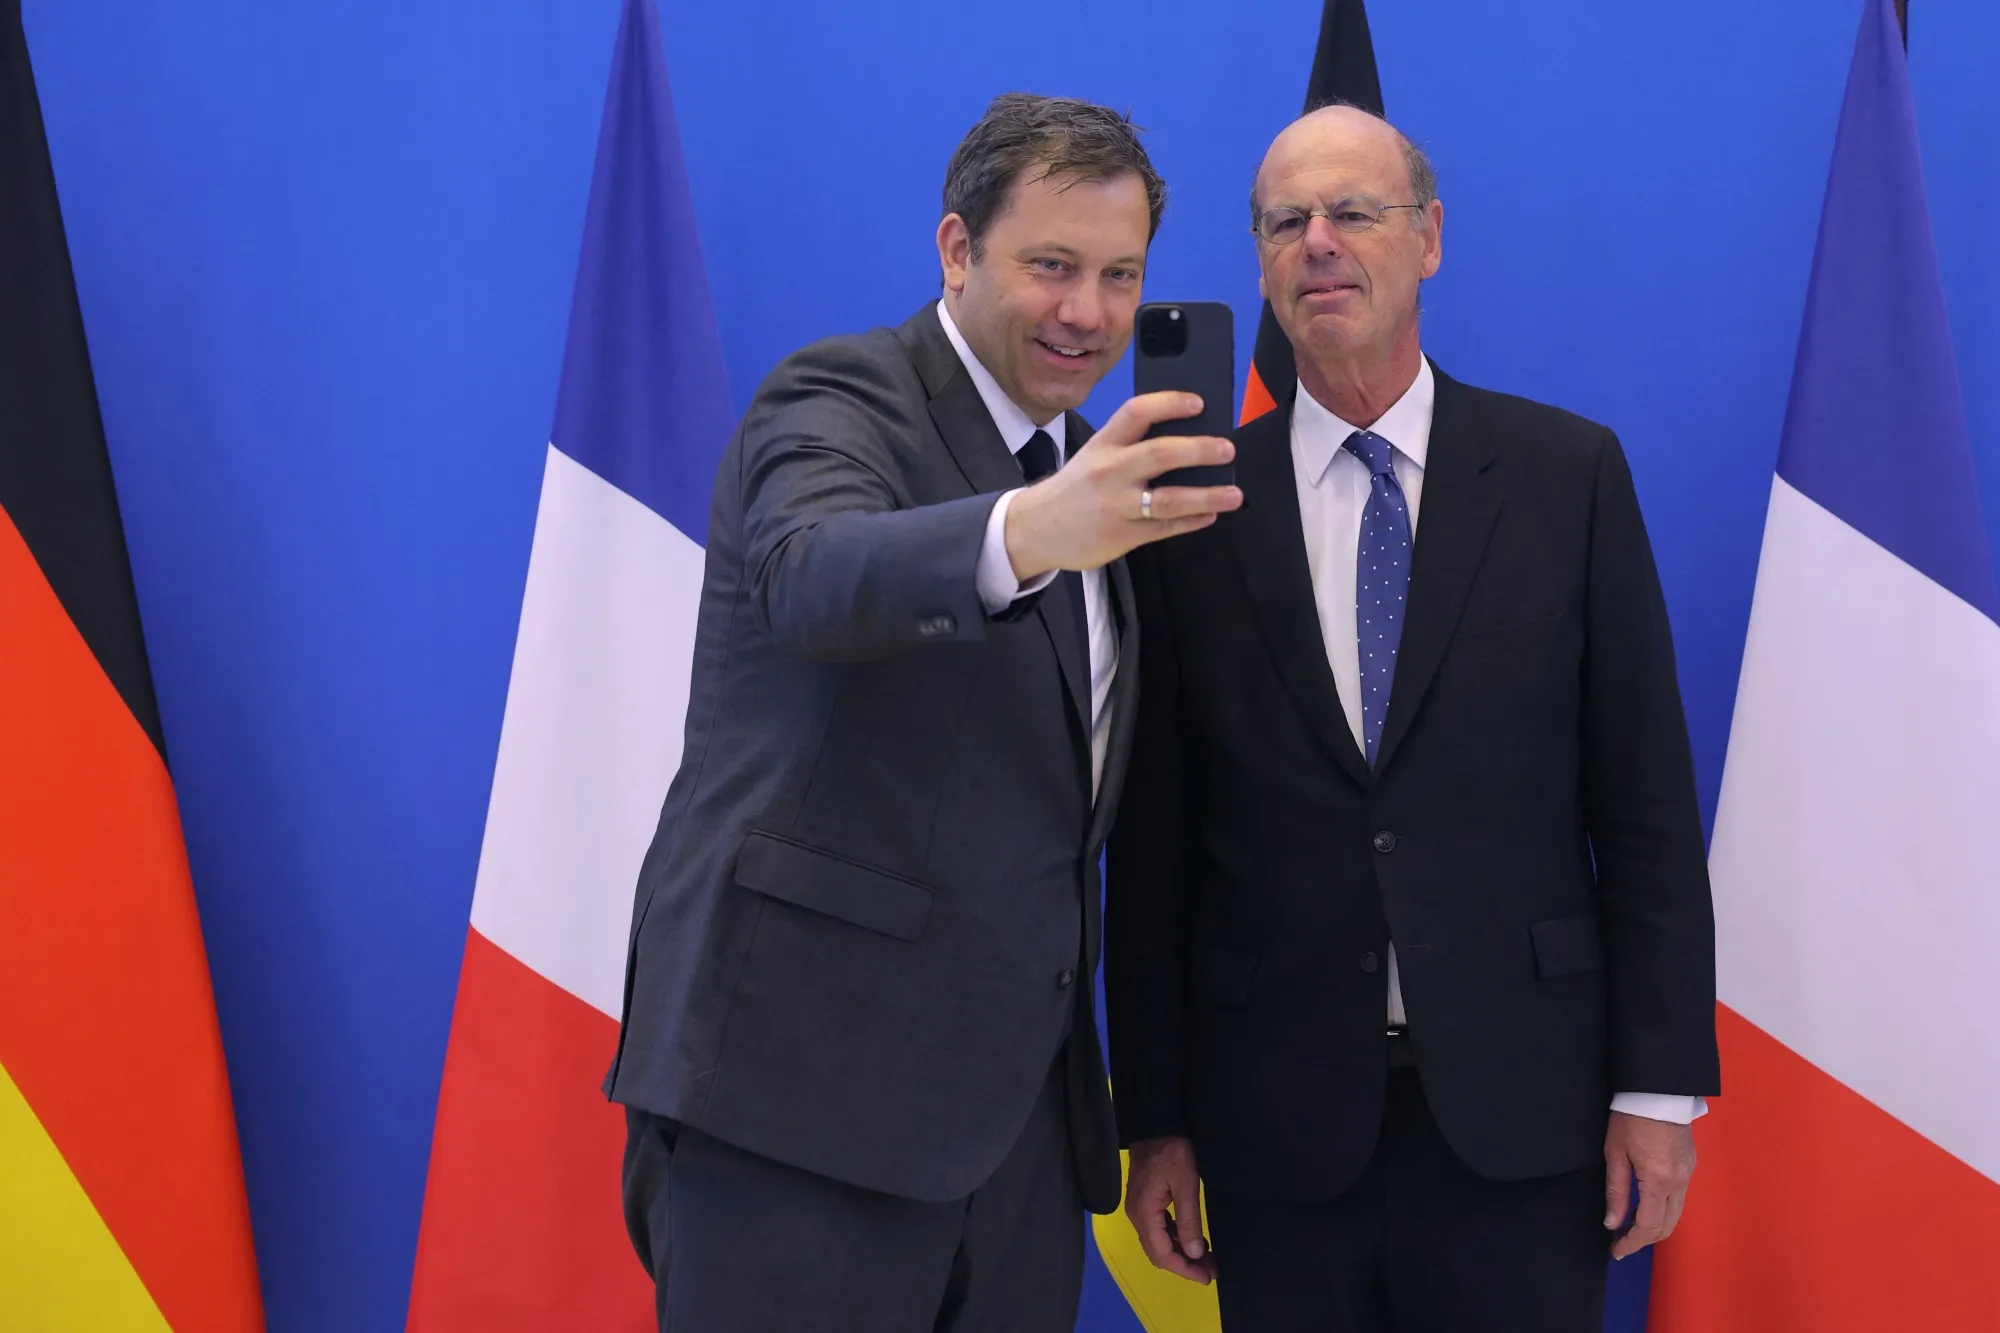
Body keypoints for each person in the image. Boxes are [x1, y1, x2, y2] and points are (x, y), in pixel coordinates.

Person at [604, 91, 1241, 1333]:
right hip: (798, 1117)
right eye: (1048, 265)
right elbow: (811, 575)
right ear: (956, 251)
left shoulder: (1096, 479)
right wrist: (1026, 531)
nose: (1087, 313)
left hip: (1015, 1151)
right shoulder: (842, 395)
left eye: (1119, 276)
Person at [1105, 103, 1720, 1331]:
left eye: (1352, 212)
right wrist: (1155, 1120)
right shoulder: (1186, 510)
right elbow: (1156, 844)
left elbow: (1643, 803)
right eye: (1286, 222)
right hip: (1275, 1128)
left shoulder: (1567, 476)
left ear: (1427, 238)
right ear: (1261, 259)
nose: (1318, 242)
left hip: (1523, 1116)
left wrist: (1658, 1089)